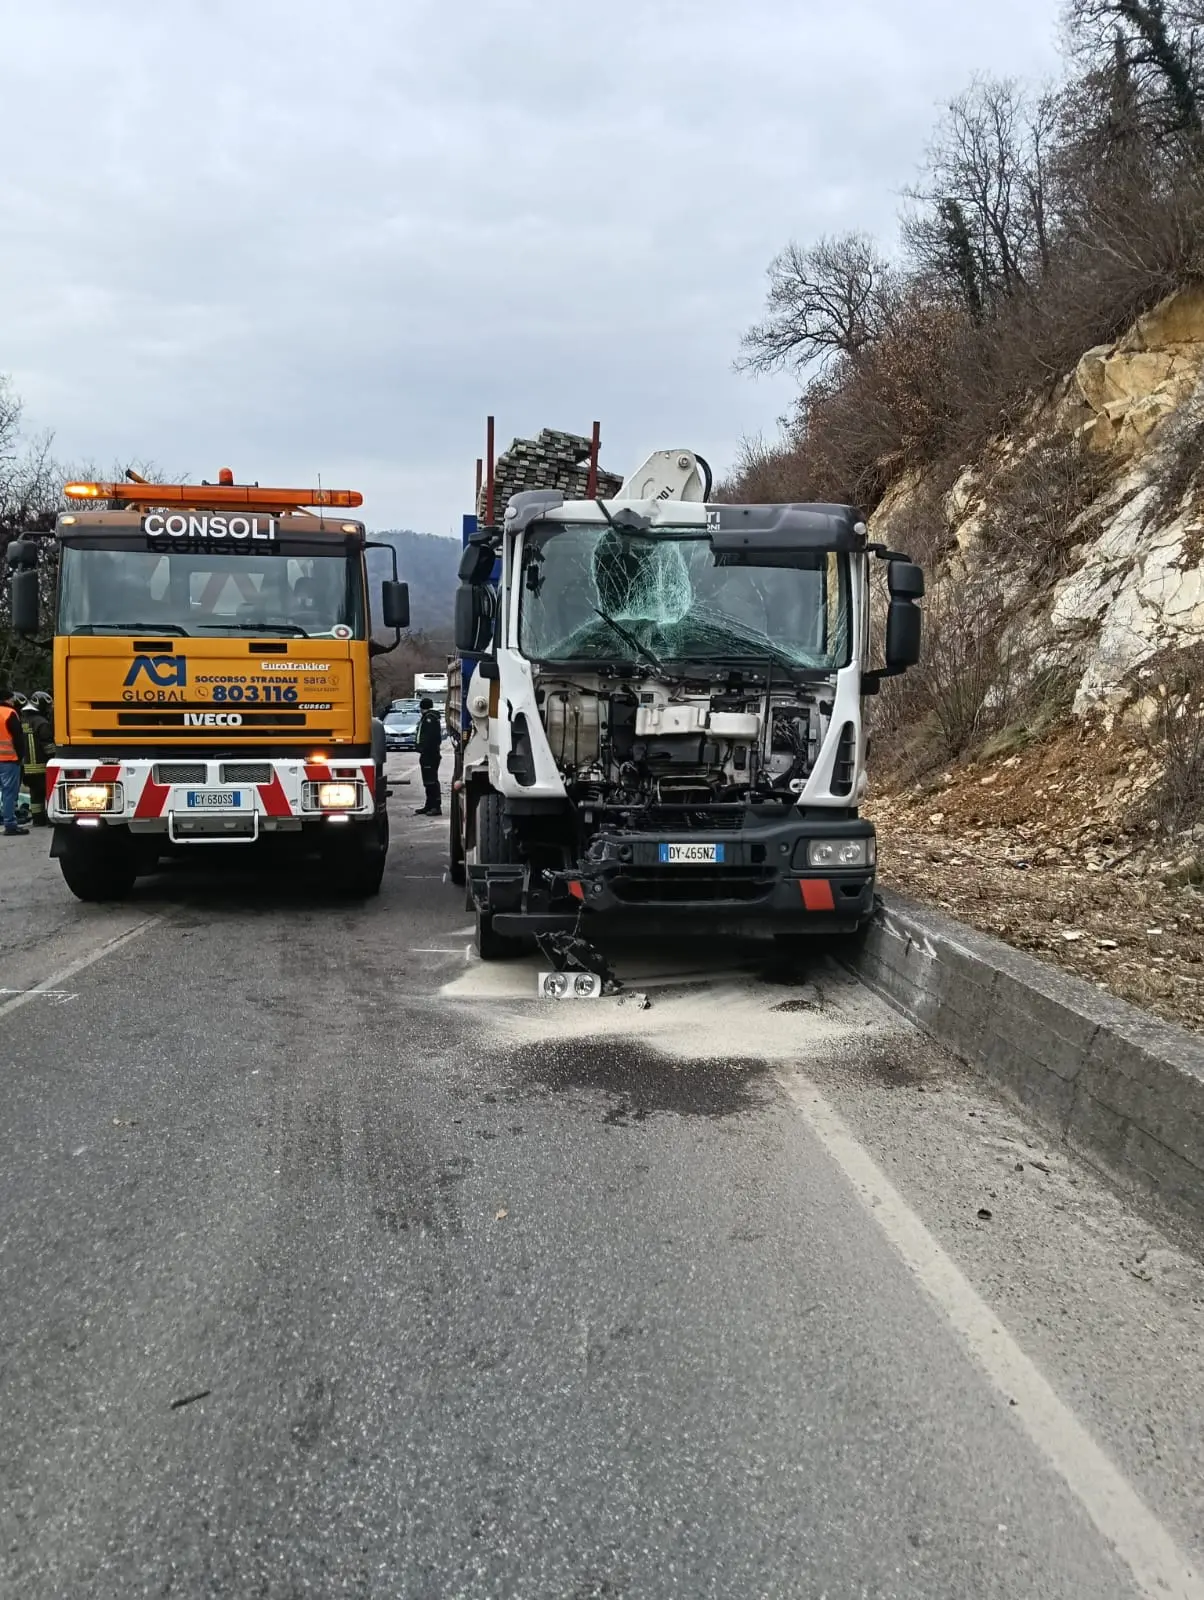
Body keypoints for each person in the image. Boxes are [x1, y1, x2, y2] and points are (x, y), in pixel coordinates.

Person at [21, 691, 55, 827]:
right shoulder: (41, 723)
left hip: (25, 766)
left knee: (35, 794)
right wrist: (54, 756)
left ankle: (37, 819)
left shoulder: (22, 721)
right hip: (41, 766)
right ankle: (50, 819)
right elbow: (47, 745)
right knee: (48, 793)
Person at [0, 685, 28, 836]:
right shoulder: (10, 713)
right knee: (9, 792)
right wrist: (20, 756)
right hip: (8, 760)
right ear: (8, 699)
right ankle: (10, 824)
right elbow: (18, 738)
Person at [415, 696, 443, 816]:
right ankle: (429, 805)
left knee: (431, 781)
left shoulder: (429, 719)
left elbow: (430, 738)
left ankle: (436, 806)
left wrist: (423, 749)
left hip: (429, 755)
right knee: (428, 781)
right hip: (428, 754)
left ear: (423, 708)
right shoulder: (429, 718)